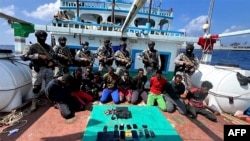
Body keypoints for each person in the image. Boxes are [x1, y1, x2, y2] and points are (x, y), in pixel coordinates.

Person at [21, 30, 55, 111]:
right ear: (37, 37)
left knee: (50, 86)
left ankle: (50, 99)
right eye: (41, 37)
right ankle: (34, 102)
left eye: (44, 37)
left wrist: (52, 62)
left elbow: (54, 57)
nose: (43, 38)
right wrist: (38, 56)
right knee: (36, 87)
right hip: (38, 69)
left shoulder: (49, 47)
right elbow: (24, 57)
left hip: (48, 69)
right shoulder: (32, 46)